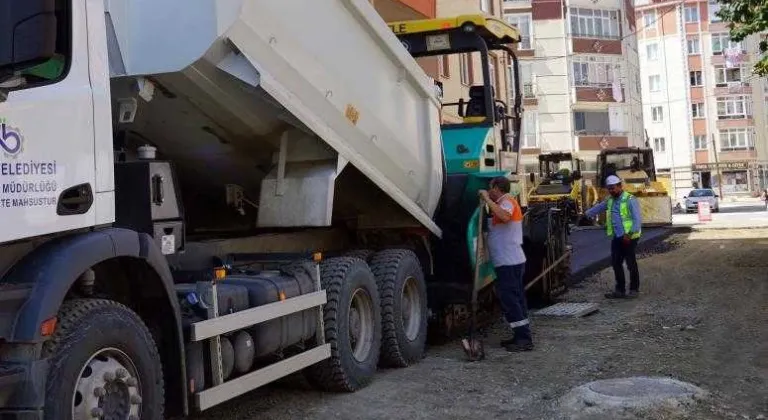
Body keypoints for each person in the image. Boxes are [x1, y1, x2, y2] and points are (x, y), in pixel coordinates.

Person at [478, 177, 532, 352]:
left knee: (510, 299)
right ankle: (520, 335)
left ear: (496, 188)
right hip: (508, 261)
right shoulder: (502, 204)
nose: (488, 191)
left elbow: (505, 216)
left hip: (510, 261)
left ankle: (523, 338)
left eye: (489, 188)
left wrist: (486, 200)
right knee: (515, 299)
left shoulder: (507, 202)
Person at [584, 175, 642, 299]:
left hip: (629, 237)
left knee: (631, 263)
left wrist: (629, 234)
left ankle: (634, 289)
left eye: (613, 188)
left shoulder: (630, 199)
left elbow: (637, 220)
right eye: (609, 189)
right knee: (616, 263)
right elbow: (598, 208)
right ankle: (620, 290)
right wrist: (586, 215)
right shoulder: (610, 200)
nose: (611, 191)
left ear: (620, 186)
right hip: (617, 236)